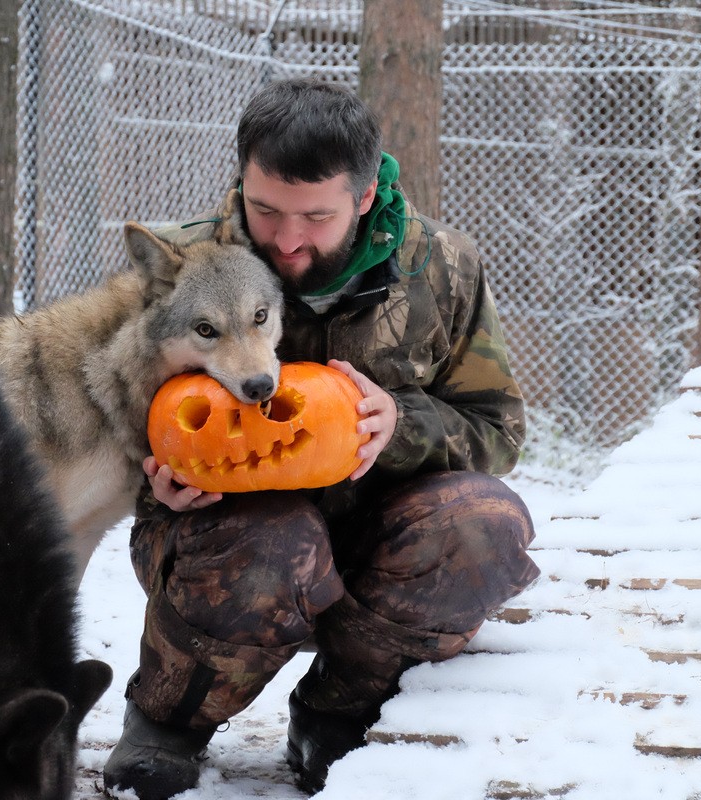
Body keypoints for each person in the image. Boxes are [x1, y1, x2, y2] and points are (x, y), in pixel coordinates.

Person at [103, 77, 541, 799]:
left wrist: (402, 425)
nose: (286, 239)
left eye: (316, 216)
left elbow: (499, 429)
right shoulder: (178, 265)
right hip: (225, 536)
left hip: (381, 531)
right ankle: (170, 719)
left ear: (366, 197)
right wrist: (150, 476)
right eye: (265, 208)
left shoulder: (445, 267)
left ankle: (339, 712)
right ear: (242, 178)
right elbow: (107, 414)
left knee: (484, 526)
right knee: (276, 536)